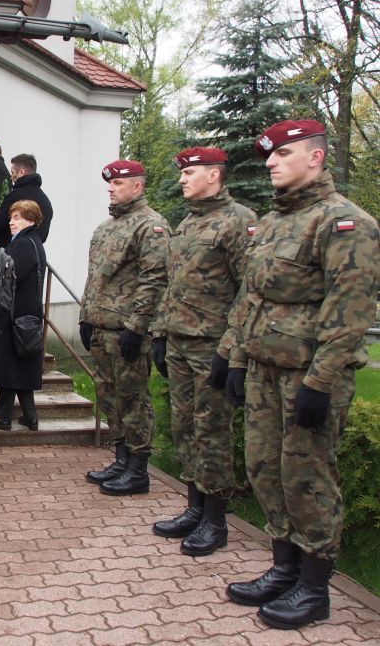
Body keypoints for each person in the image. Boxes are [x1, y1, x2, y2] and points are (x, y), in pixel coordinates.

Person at [220, 120, 380, 629]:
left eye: (283, 154)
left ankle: (314, 589)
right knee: (265, 467)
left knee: (307, 476)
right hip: (264, 369)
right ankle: (284, 569)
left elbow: (350, 311)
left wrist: (321, 381)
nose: (271, 162)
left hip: (308, 378)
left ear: (315, 157)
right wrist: (236, 359)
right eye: (270, 156)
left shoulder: (344, 222)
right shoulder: (272, 223)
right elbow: (251, 297)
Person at [149, 147, 256, 557]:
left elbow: (249, 292)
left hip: (213, 346)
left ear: (214, 175)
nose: (182, 179)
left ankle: (215, 520)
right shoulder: (188, 222)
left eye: (190, 172)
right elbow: (172, 284)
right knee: (184, 428)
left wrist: (231, 351)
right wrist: (160, 333)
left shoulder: (239, 221)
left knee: (211, 432)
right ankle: (194, 508)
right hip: (179, 343)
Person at [80, 159, 169, 496]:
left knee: (133, 399)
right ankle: (121, 460)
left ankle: (138, 469)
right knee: (109, 397)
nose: (111, 188)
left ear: (137, 186)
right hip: (101, 327)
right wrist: (85, 317)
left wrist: (138, 326)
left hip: (126, 330)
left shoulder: (151, 226)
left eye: (118, 183)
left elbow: (154, 279)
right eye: (110, 183)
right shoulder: (105, 228)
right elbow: (94, 277)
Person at [0, 200, 47, 431]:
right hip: (26, 314)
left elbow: (8, 276)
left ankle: (2, 417)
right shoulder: (34, 242)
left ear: (32, 220)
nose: (11, 222)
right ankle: (30, 416)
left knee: (6, 364)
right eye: (11, 217)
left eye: (17, 218)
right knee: (20, 365)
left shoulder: (24, 244)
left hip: (12, 313)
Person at [0, 153, 53, 247]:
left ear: (21, 172)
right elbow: (43, 236)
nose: (11, 177)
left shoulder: (16, 196)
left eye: (12, 173)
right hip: (34, 252)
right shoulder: (46, 201)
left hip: (9, 251)